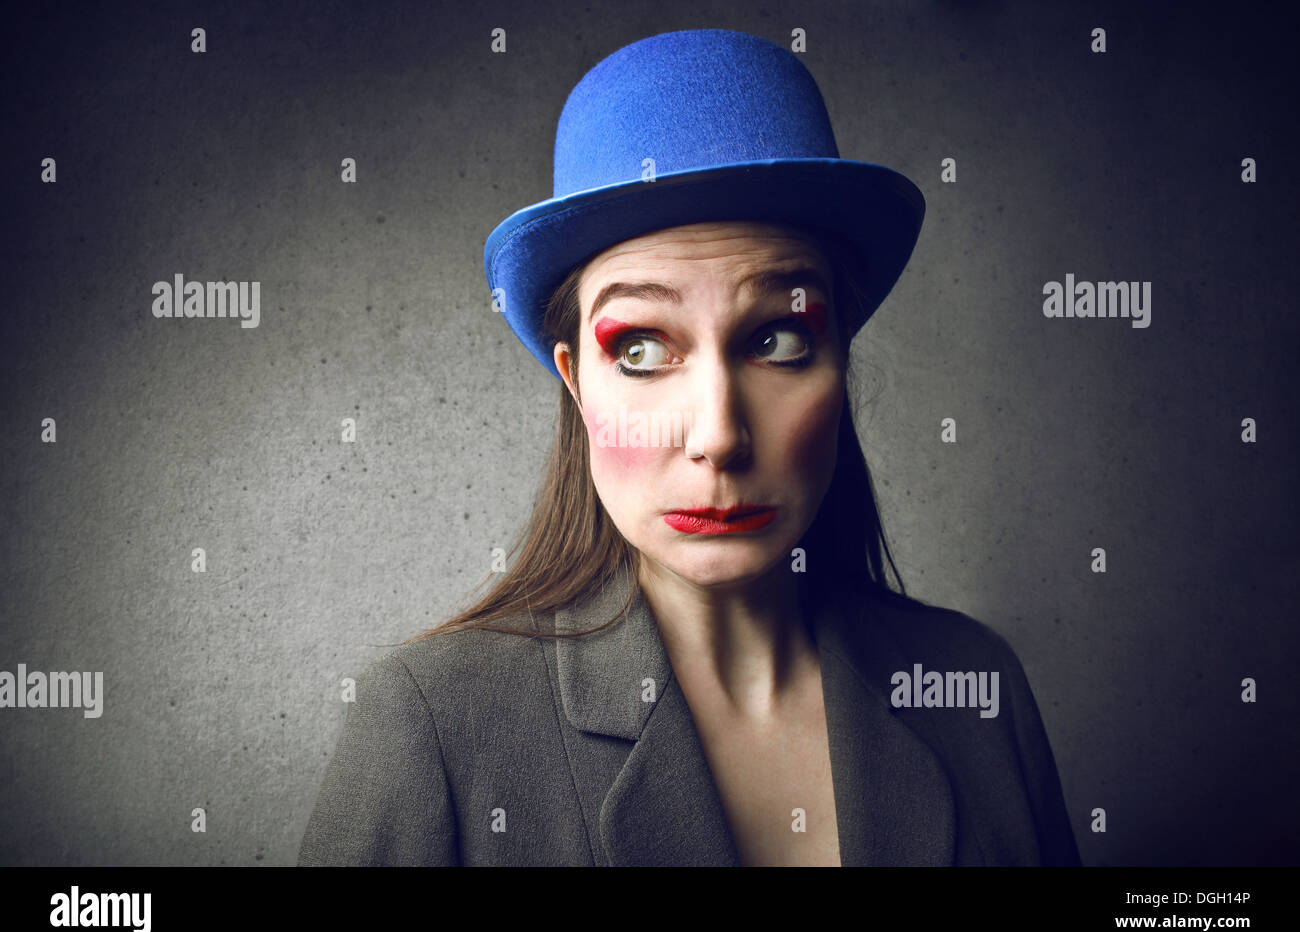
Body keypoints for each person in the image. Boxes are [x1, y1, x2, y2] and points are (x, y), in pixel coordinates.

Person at [298, 28, 1080, 866]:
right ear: (574, 380)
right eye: (640, 348)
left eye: (779, 338)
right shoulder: (430, 725)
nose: (717, 435)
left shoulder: (974, 686)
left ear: (841, 356)